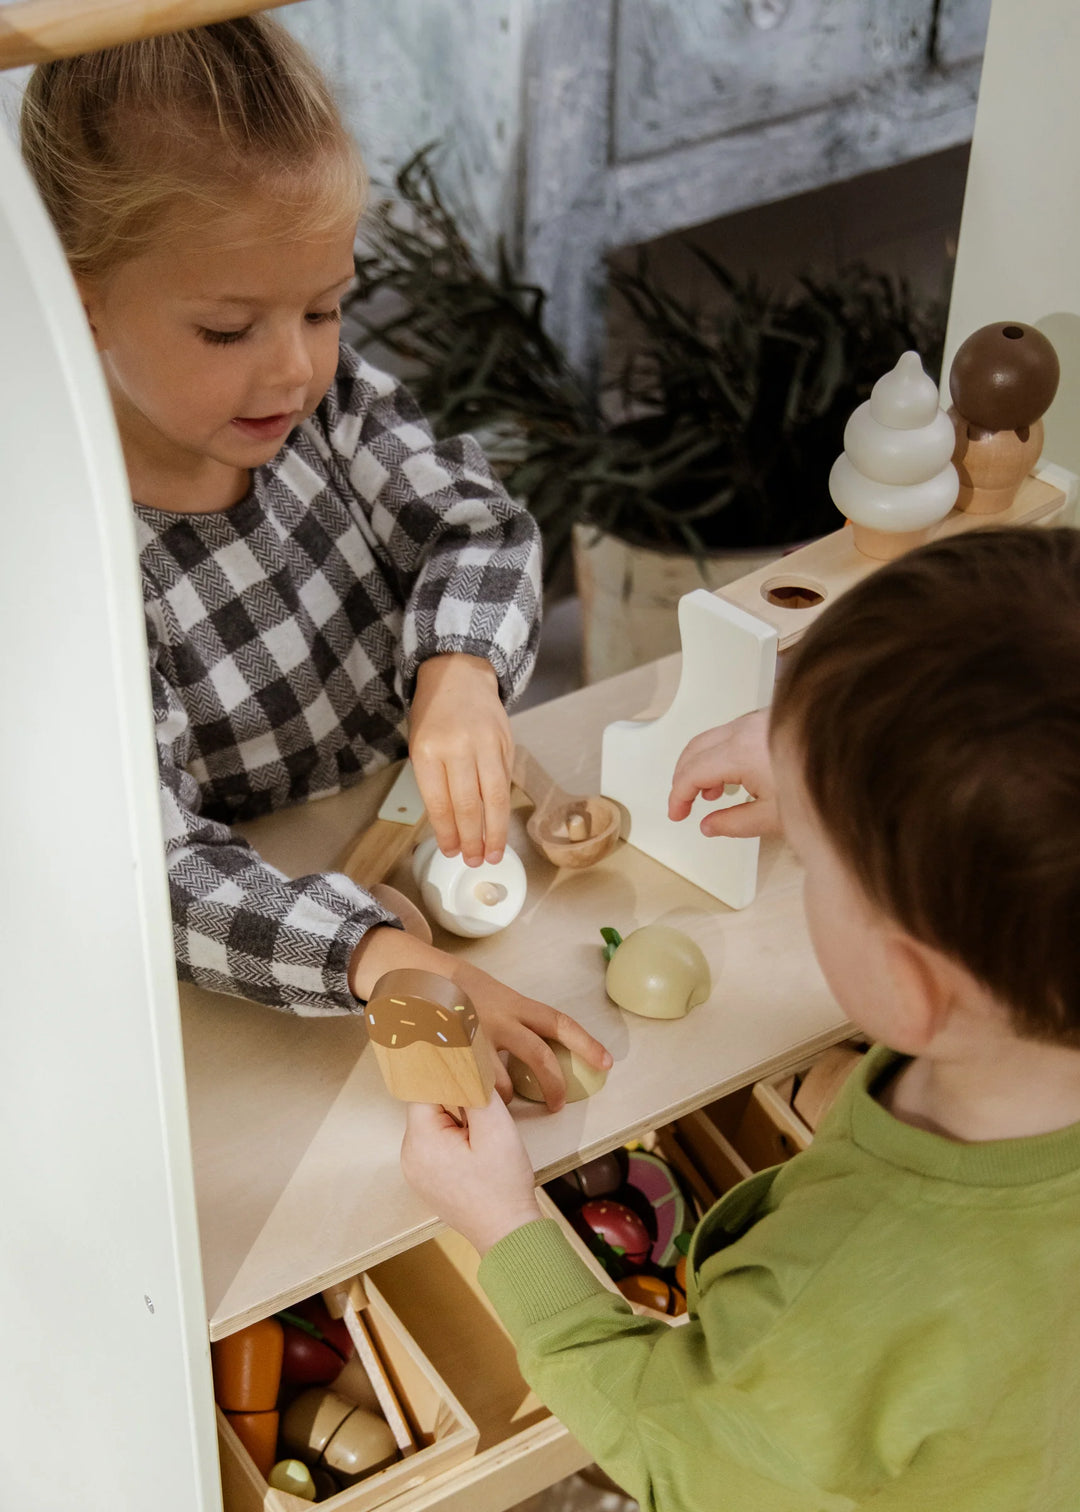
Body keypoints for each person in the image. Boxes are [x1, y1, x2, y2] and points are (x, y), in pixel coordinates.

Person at [402, 526, 1080, 1509]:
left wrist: (503, 1226)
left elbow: (678, 1448)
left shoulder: (836, 1295)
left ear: (912, 989)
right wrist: (827, 759)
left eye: (813, 856)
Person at [19, 17, 609, 1108]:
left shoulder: (329, 406)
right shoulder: (67, 556)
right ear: (77, 297)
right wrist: (379, 957)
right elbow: (158, 872)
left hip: (414, 836)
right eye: (228, 330)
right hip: (285, 948)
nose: (294, 367)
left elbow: (480, 529)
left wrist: (460, 676)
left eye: (325, 307)